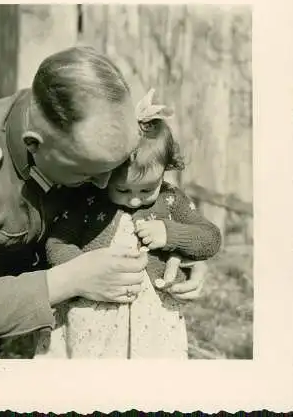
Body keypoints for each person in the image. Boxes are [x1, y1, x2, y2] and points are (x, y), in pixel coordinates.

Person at [42, 90, 222, 359]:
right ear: (105, 173)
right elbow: (56, 243)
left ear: (165, 170)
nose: (136, 201)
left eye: (147, 189)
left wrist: (170, 233)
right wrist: (82, 270)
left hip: (154, 319)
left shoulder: (170, 200)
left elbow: (211, 238)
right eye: (123, 191)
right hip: (94, 314)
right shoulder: (89, 201)